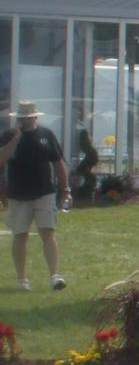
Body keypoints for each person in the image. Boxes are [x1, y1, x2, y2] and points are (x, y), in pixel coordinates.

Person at [1, 102, 69, 291]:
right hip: (18, 194)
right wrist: (15, 140)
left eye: (28, 117)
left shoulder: (46, 135)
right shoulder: (9, 136)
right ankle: (22, 280)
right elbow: (1, 159)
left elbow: (58, 163)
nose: (24, 121)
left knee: (48, 232)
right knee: (20, 235)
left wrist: (65, 189)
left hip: (44, 192)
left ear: (35, 118)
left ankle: (55, 276)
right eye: (21, 118)